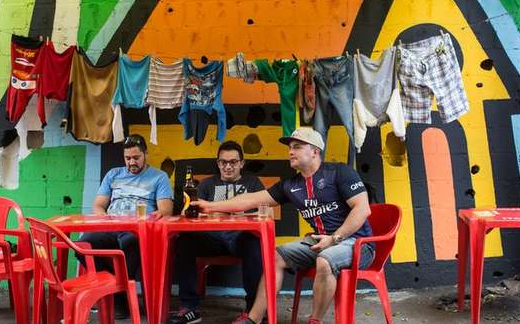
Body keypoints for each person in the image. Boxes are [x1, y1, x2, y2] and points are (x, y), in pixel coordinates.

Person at [194, 127, 375, 324]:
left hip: (357, 243)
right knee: (275, 256)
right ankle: (253, 319)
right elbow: (250, 200)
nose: (290, 152)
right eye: (290, 148)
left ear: (315, 151)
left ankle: (315, 320)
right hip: (320, 241)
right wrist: (209, 206)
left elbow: (362, 209)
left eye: (297, 147)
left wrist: (334, 238)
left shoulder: (340, 172)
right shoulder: (290, 185)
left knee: (325, 260)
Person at [77, 134, 173, 318]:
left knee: (129, 245)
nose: (132, 162)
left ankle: (118, 299)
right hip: (111, 227)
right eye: (128, 158)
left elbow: (166, 210)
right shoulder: (113, 174)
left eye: (136, 158)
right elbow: (98, 205)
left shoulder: (159, 177)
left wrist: (155, 217)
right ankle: (115, 293)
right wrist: (104, 220)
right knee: (83, 246)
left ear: (146, 154)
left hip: (138, 231)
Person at [170, 141, 266, 324]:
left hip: (240, 238)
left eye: (233, 162)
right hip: (212, 238)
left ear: (242, 163)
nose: (228, 166)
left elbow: (265, 211)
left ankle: (254, 310)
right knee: (184, 240)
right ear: (218, 163)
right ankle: (190, 307)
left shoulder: (252, 182)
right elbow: (188, 213)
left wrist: (223, 211)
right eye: (223, 162)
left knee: (254, 242)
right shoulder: (207, 184)